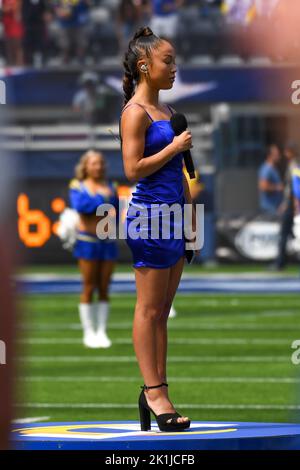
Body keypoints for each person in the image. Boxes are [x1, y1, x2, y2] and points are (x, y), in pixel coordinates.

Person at [119, 26, 199, 432]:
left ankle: (159, 387)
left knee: (162, 313)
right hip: (148, 219)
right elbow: (132, 170)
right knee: (149, 310)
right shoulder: (135, 113)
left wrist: (190, 222)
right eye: (168, 61)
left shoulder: (168, 113)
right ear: (144, 65)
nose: (174, 68)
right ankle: (153, 392)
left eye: (174, 61)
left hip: (174, 220)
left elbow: (181, 176)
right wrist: (173, 148)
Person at [69, 150, 119, 348]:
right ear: (86, 166)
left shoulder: (111, 185)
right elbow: (82, 206)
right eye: (93, 163)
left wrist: (103, 200)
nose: (97, 167)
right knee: (89, 286)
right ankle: (88, 332)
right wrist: (102, 198)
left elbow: (114, 208)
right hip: (87, 241)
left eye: (100, 163)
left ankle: (101, 331)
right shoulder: (77, 185)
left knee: (105, 288)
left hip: (108, 241)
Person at [274, 142, 299, 270]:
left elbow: (295, 186)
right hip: (290, 202)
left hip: (292, 204)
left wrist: (294, 203)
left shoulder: (294, 165)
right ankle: (281, 261)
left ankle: (280, 263)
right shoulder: (293, 164)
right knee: (288, 233)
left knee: (284, 233)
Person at [258, 144, 284, 215]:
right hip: (269, 208)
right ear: (269, 155)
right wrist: (278, 187)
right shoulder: (267, 169)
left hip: (275, 207)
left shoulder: (274, 168)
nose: (279, 156)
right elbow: (263, 186)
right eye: (276, 154)